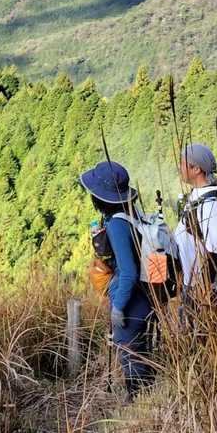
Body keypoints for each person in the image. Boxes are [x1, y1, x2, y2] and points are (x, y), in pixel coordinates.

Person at [80, 159, 156, 399]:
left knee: (131, 355)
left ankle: (138, 404)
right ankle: (146, 401)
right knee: (141, 353)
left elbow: (129, 271)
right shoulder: (133, 215)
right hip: (145, 297)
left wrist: (119, 306)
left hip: (132, 301)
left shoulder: (117, 225)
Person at [175, 142, 217, 296]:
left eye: (183, 164)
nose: (180, 168)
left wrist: (203, 293)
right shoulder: (199, 195)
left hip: (207, 291)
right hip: (194, 285)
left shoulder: (211, 205)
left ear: (196, 169)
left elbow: (215, 253)